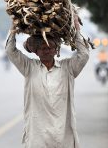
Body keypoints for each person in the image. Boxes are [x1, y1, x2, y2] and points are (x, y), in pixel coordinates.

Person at [5, 15, 89, 148]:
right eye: (43, 48)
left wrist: (77, 30)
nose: (47, 50)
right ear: (36, 52)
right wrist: (13, 28)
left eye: (50, 47)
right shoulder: (29, 67)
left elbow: (83, 55)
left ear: (56, 50)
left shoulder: (68, 68)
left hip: (63, 136)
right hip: (37, 137)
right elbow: (10, 51)